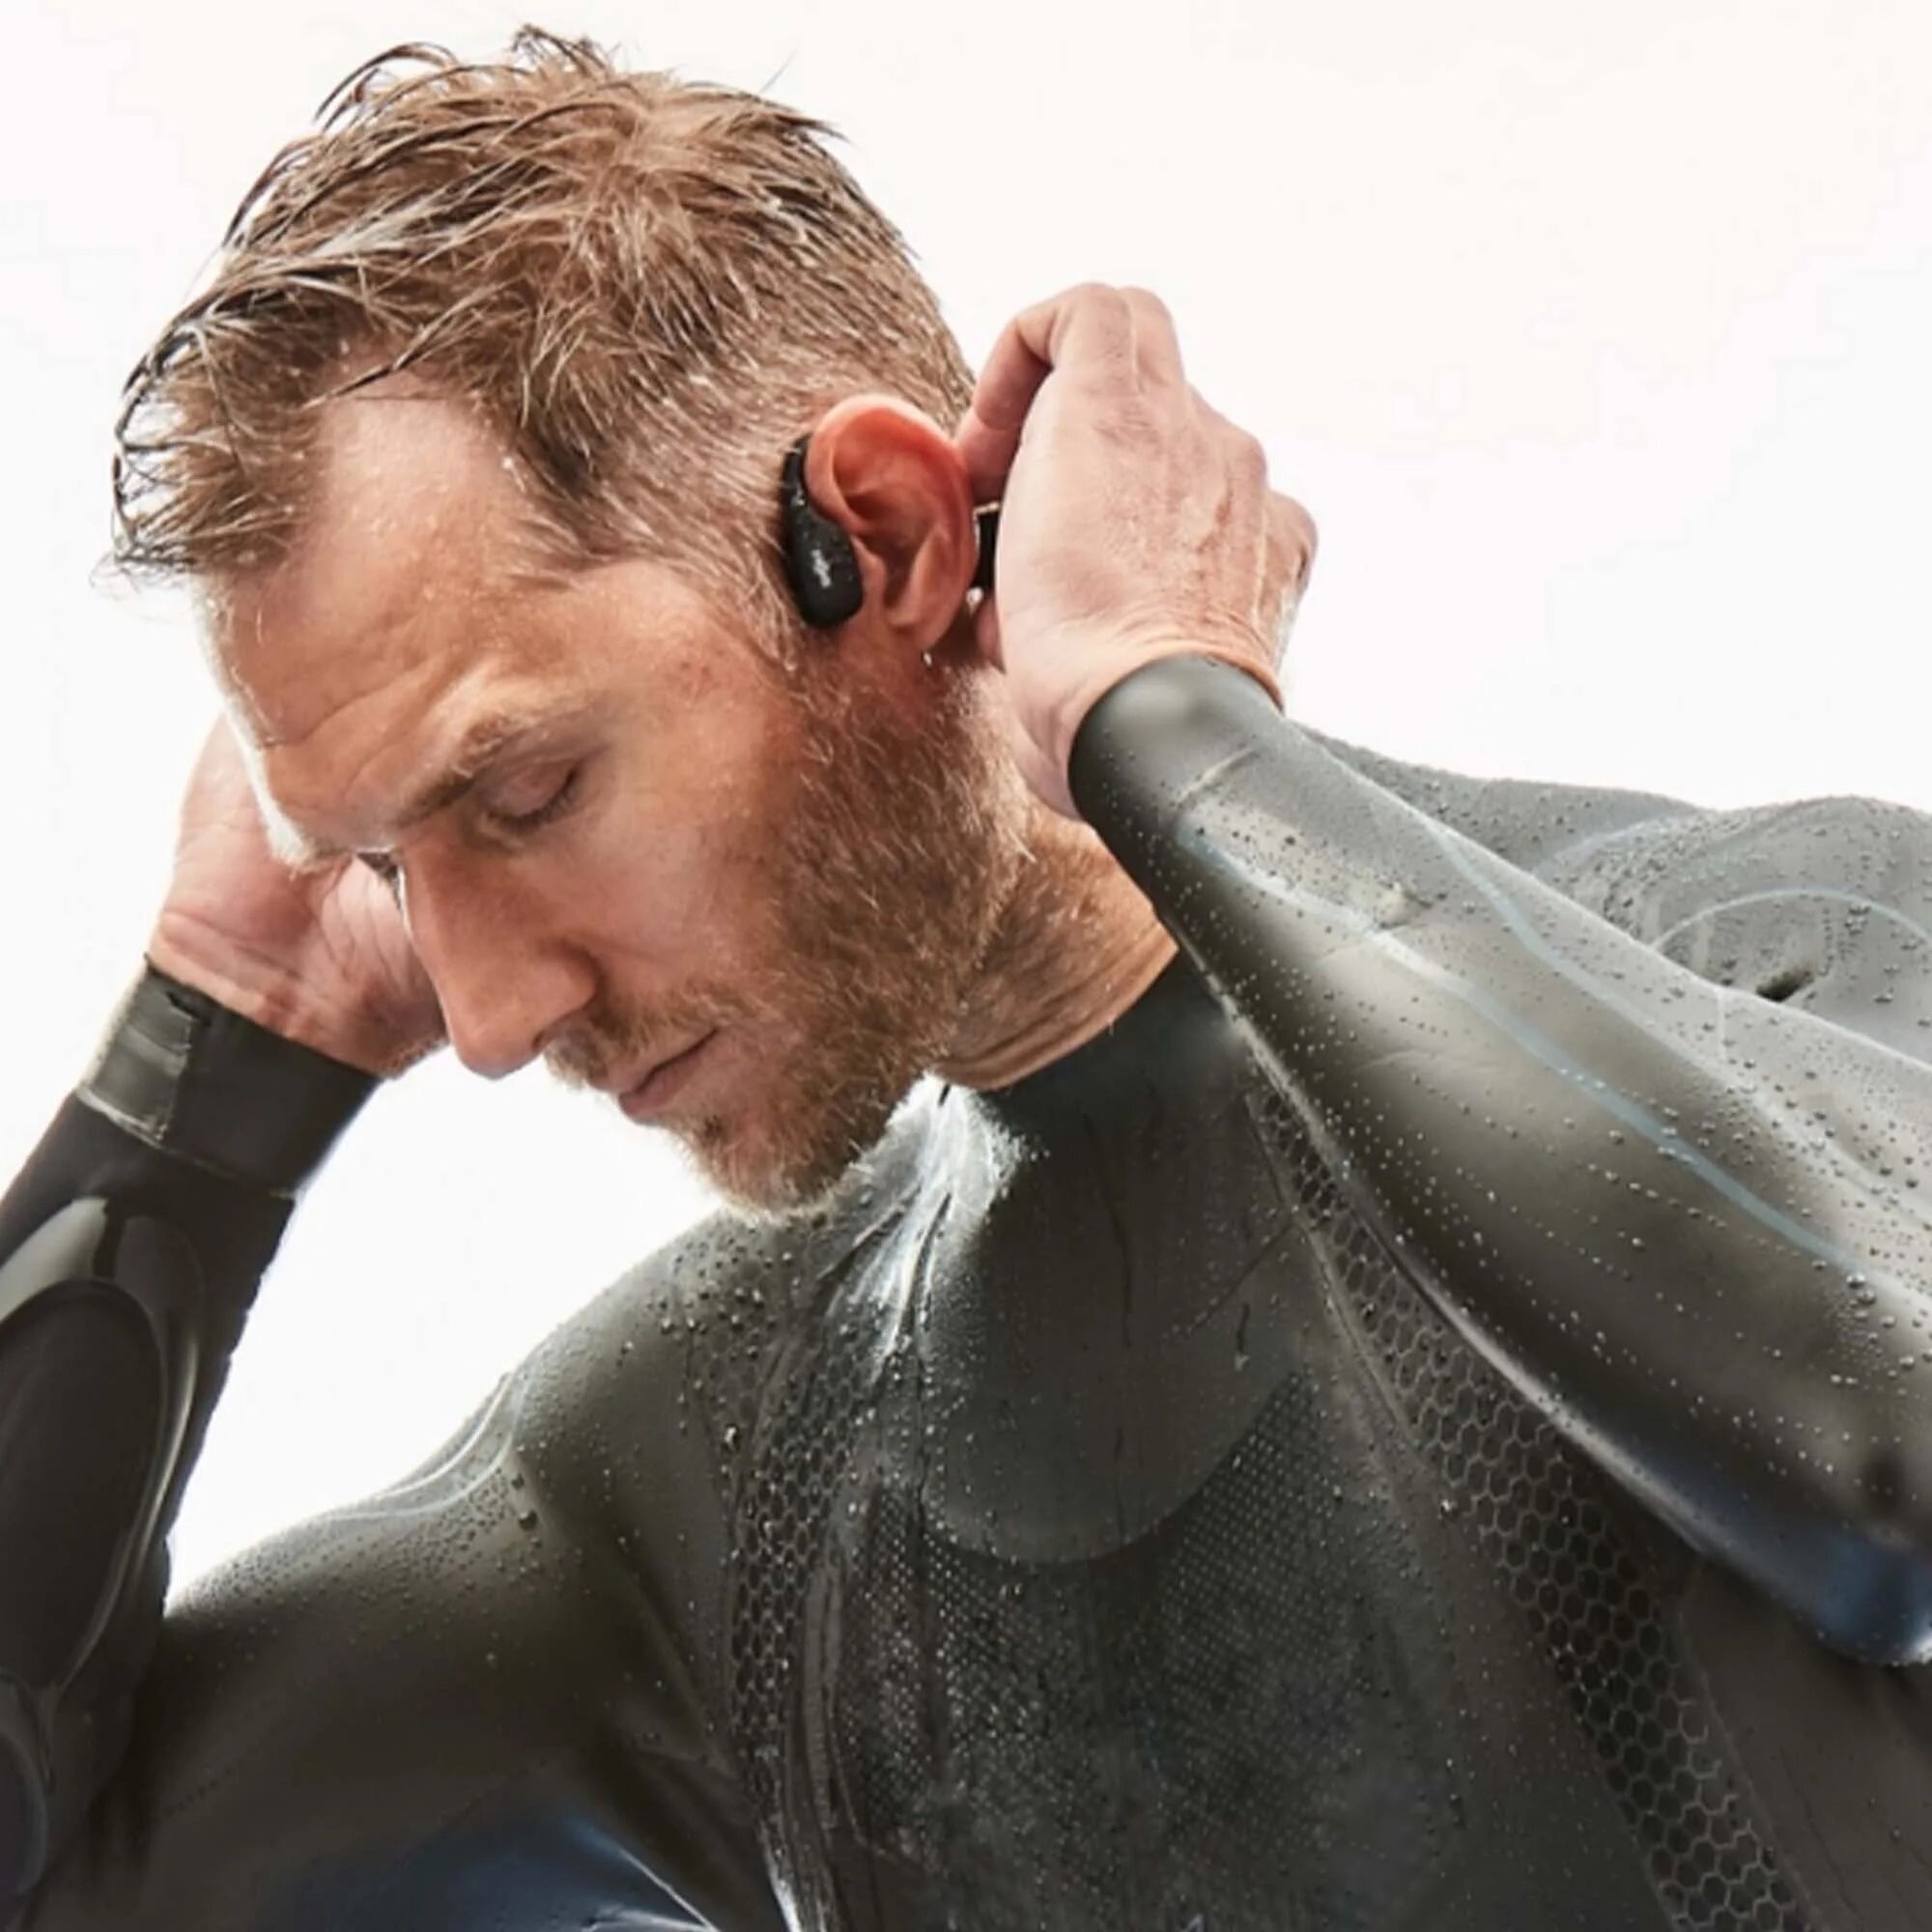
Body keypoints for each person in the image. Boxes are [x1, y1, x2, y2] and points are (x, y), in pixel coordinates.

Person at [5, 26, 1931, 1931]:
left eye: (525, 792)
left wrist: (1166, 712)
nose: (488, 1019)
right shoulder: (699, 1486)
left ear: (887, 536)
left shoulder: (1763, 943)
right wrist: (216, 1045)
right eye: (383, 861)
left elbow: (1883, 1447)